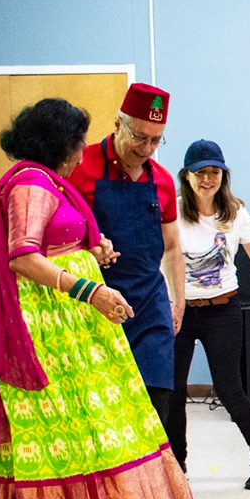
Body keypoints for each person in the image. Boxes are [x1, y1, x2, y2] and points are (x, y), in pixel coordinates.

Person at [0, 98, 195, 499]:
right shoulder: (32, 182)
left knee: (93, 438)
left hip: (88, 329)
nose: (80, 152)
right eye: (75, 142)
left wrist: (92, 247)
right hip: (51, 336)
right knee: (52, 444)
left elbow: (56, 239)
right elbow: (22, 254)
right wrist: (89, 288)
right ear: (61, 145)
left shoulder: (49, 181)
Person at [170, 139, 250, 489]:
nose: (208, 179)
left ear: (223, 176)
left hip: (223, 310)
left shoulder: (235, 213)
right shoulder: (174, 211)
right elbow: (162, 262)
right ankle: (175, 469)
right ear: (187, 175)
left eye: (214, 172)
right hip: (179, 311)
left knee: (230, 390)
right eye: (200, 173)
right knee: (172, 392)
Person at [67, 83, 185, 428]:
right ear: (118, 124)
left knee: (155, 402)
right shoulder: (80, 166)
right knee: (104, 410)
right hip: (94, 304)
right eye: (140, 137)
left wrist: (178, 301)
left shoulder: (161, 181)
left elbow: (173, 245)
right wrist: (88, 245)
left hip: (149, 305)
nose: (147, 148)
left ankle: (155, 479)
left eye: (156, 140)